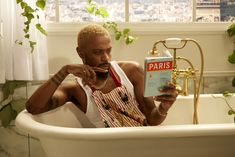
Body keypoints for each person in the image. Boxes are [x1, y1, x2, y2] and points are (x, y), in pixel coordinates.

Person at [26, 24, 178, 128]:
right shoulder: (76, 90)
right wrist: (63, 71)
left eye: (108, 50)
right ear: (81, 53)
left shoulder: (131, 71)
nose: (106, 58)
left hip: (144, 143)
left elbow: (152, 120)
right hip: (109, 149)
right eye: (98, 52)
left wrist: (163, 108)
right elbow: (33, 108)